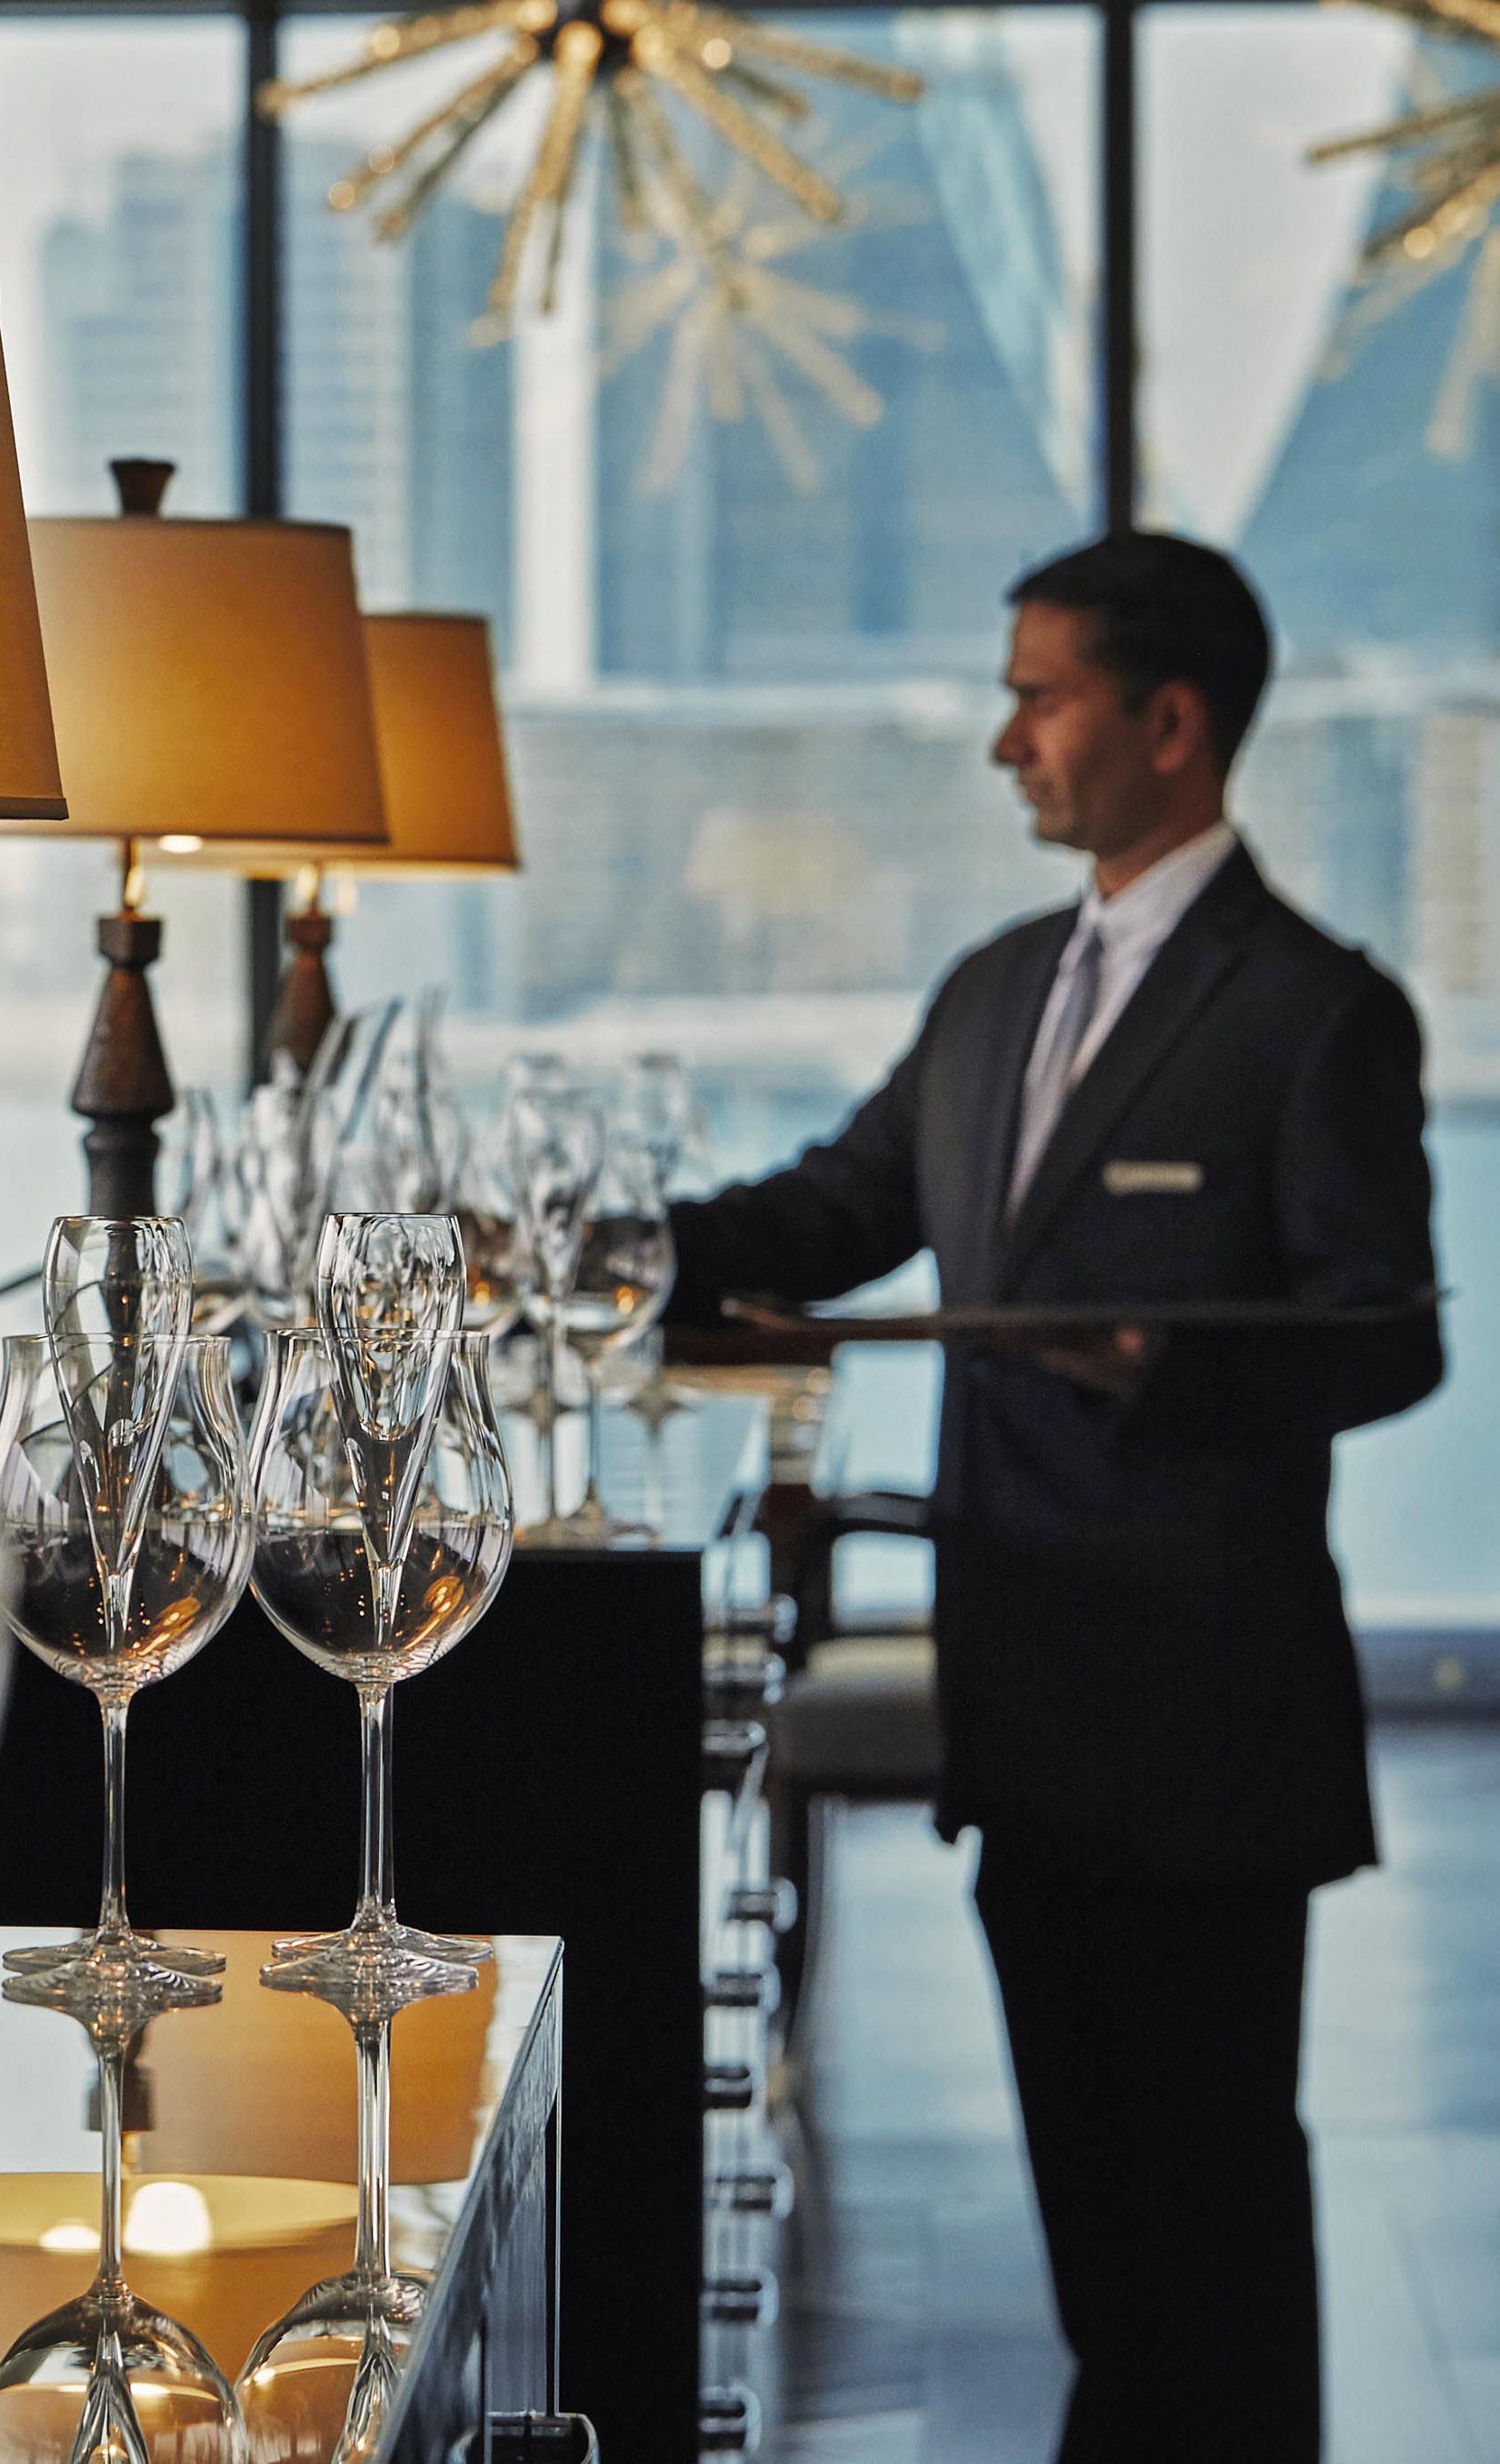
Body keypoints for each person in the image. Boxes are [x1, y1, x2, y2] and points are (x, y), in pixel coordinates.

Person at [669, 531, 1440, 2463]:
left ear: (1170, 723)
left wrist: (1162, 1360)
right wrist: (596, 1249)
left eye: (1039, 696)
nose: (1004, 740)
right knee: (1100, 2250)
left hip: (1202, 1721)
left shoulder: (1318, 1011)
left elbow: (1389, 1337)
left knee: (1215, 2236)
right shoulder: (995, 990)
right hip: (1018, 1703)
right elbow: (828, 1215)